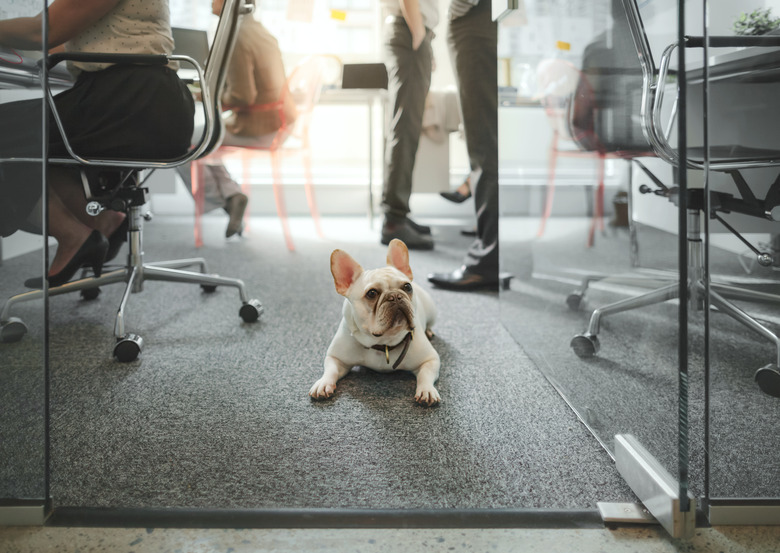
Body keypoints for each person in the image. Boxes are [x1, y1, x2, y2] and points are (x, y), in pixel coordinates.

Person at [0, 0, 195, 288]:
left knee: (13, 132)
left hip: (131, 100)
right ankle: (103, 223)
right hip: (144, 99)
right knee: (32, 136)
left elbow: (43, 32)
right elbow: (60, 40)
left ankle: (72, 235)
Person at [177, 0, 296, 238]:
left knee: (181, 143)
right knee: (202, 139)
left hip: (259, 126)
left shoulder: (237, 36)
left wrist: (206, 97)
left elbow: (243, 95)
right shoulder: (257, 30)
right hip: (279, 122)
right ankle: (231, 196)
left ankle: (227, 200)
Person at [427, 0, 499, 290]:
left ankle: (486, 261)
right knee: (487, 137)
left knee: (483, 140)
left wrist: (456, 9)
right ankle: (491, 254)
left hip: (475, 19)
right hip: (483, 19)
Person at [378, 0, 438, 250]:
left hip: (406, 27)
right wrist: (418, 33)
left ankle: (397, 214)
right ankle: (394, 220)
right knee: (405, 129)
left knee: (405, 128)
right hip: (408, 26)